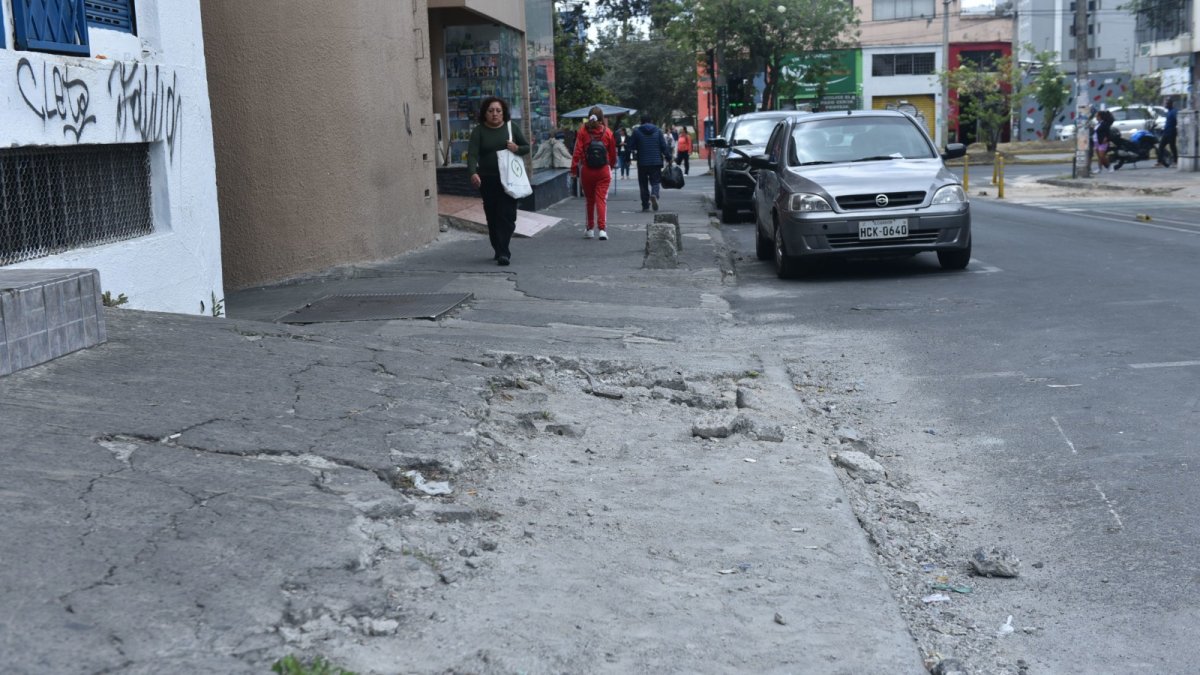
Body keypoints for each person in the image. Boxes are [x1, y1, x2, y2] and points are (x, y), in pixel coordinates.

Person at [467, 96, 530, 266]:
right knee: (493, 216)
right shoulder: (479, 131)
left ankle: (504, 251)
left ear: (503, 113)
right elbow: (472, 154)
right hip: (488, 180)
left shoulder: (511, 128)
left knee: (508, 215)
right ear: (485, 113)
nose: (494, 114)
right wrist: (473, 173)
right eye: (491, 111)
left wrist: (517, 148)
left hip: (509, 179)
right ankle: (498, 248)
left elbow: (527, 147)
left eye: (498, 111)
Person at [570, 107, 618, 240]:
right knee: (601, 200)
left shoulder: (582, 132)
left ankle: (589, 229)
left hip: (587, 171)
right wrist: (611, 165)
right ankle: (602, 230)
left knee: (590, 201)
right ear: (602, 117)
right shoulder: (608, 132)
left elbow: (577, 152)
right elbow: (613, 153)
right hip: (603, 171)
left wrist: (574, 169)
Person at [627, 114, 671, 212]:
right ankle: (654, 194)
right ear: (651, 121)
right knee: (655, 182)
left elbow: (630, 146)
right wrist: (669, 158)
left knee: (643, 184)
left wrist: (628, 159)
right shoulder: (658, 131)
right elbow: (664, 146)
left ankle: (645, 205)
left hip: (642, 162)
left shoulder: (637, 132)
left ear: (641, 122)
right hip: (656, 162)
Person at [1157, 99, 1178, 168]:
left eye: (1167, 104)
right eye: (1165, 104)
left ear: (1170, 104)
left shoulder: (1174, 112)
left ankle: (1175, 161)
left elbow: (1177, 120)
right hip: (1166, 133)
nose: (1166, 105)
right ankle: (1160, 162)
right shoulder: (1168, 112)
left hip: (1171, 132)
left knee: (1172, 147)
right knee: (1161, 146)